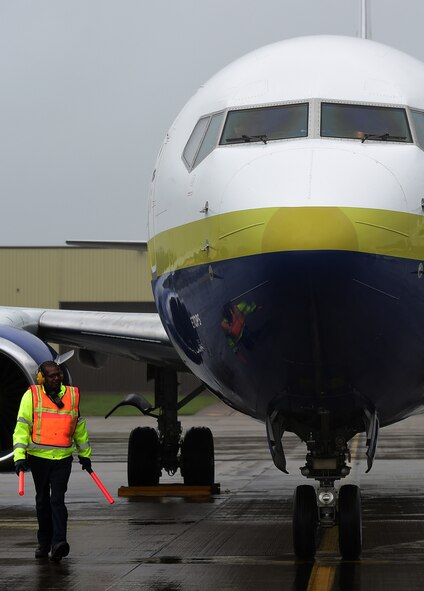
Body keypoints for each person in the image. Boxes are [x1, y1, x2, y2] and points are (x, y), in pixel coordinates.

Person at [13, 360, 92, 561]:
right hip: (39, 459)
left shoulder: (72, 396)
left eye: (59, 374)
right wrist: (19, 457)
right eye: (51, 375)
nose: (57, 378)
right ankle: (44, 542)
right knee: (42, 501)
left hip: (63, 459)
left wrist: (85, 455)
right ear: (41, 378)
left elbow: (79, 428)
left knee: (57, 500)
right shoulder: (32, 396)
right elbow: (22, 427)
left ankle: (59, 542)